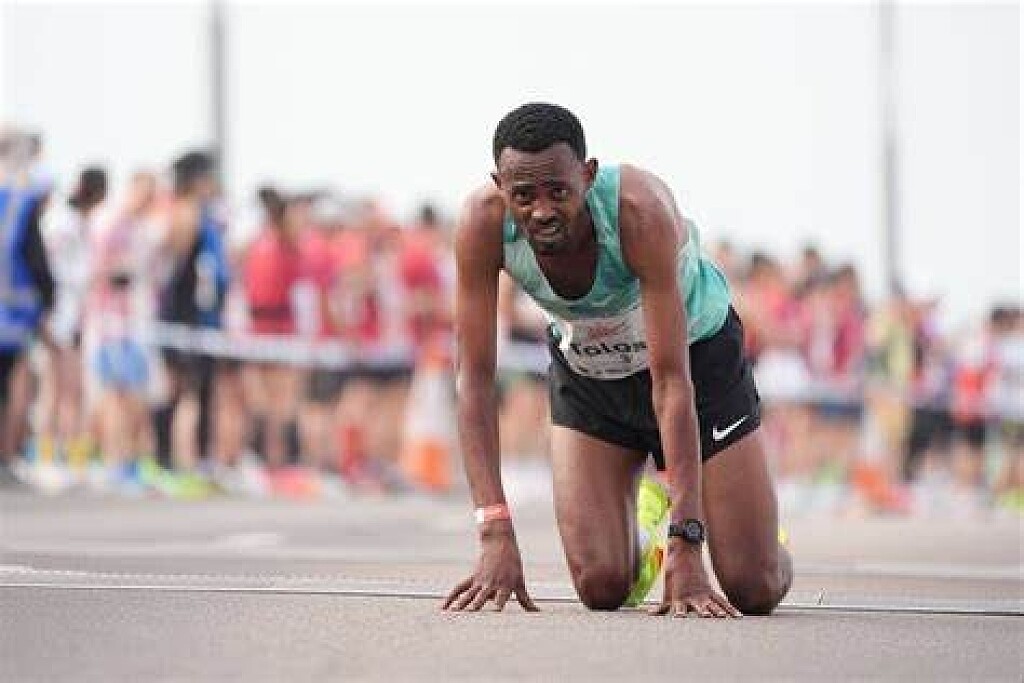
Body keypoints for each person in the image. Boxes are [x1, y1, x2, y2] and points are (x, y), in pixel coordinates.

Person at [444, 103, 792, 617]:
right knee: (600, 587)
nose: (542, 211)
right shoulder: (482, 224)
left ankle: (750, 525)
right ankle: (650, 527)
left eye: (558, 192)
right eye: (523, 196)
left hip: (694, 365)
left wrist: (688, 540)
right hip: (592, 376)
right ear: (500, 187)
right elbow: (474, 379)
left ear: (587, 176)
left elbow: (672, 381)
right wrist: (493, 531)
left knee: (753, 587)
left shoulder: (638, 211)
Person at [152, 151, 230, 482]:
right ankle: (167, 459)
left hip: (206, 317)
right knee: (178, 388)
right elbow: (175, 267)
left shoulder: (209, 216)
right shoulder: (185, 212)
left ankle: (200, 460)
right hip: (183, 316)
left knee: (204, 390)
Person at [0, 130, 55, 485]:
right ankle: (8, 455)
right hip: (14, 315)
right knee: (15, 386)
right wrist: (48, 301)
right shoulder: (21, 200)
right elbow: (36, 258)